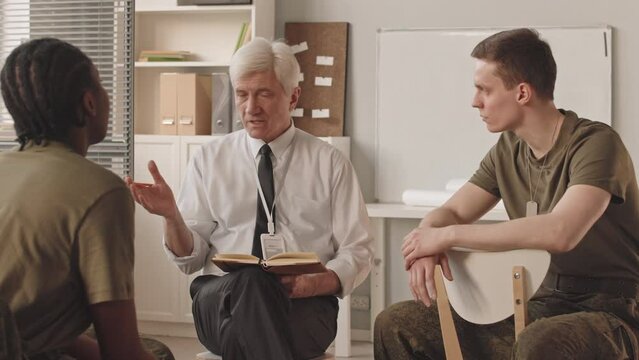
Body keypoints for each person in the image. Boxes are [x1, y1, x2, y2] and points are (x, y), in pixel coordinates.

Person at [374, 28, 639, 359]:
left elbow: (561, 231)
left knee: (539, 341)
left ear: (523, 93)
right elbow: (452, 211)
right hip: (539, 303)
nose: (475, 101)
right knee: (397, 323)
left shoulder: (596, 144)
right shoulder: (509, 149)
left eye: (484, 89)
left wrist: (446, 237)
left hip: (610, 311)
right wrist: (425, 240)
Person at [127, 37, 373, 360]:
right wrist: (172, 216)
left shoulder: (330, 164)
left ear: (293, 97)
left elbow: (358, 251)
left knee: (241, 330)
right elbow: (191, 260)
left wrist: (312, 284)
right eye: (242, 94)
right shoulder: (209, 159)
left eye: (264, 94)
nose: (250, 107)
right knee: (252, 282)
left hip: (303, 305)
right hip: (220, 297)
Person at [0, 38, 173, 360]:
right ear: (89, 103)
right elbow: (122, 352)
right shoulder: (101, 191)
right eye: (104, 87)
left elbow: (31, 319)